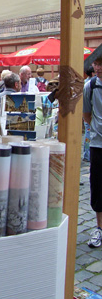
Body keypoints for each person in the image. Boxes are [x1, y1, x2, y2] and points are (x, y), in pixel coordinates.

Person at [83, 52, 102, 248]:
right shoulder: (91, 86)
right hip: (98, 144)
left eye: (101, 64)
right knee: (97, 186)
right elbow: (86, 115)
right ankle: (99, 227)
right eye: (96, 64)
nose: (97, 67)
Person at [0, 73, 21, 137]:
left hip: (0, 137)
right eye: (20, 83)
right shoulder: (22, 98)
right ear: (16, 84)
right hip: (19, 138)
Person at [83, 66, 95, 162]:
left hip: (87, 114)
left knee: (87, 134)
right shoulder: (91, 84)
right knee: (88, 134)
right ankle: (87, 154)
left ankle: (87, 154)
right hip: (90, 114)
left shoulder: (85, 82)